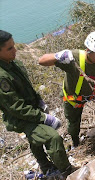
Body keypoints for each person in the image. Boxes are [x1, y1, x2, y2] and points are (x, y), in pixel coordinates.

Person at [0, 30, 75, 179]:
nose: (15, 50)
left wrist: (39, 101)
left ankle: (45, 165)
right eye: (9, 48)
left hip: (31, 110)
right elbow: (16, 108)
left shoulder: (12, 64)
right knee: (52, 137)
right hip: (20, 118)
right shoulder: (2, 76)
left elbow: (27, 88)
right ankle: (67, 171)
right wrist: (43, 117)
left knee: (35, 137)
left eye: (14, 46)